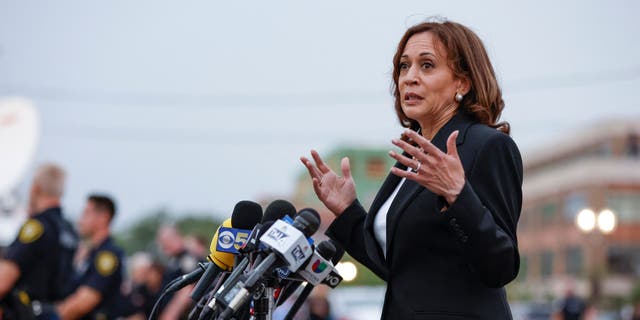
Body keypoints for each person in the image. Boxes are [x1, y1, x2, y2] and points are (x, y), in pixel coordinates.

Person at [301, 18, 522, 319]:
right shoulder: (413, 156)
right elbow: (399, 270)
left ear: (463, 83)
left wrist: (458, 196)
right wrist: (348, 211)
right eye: (404, 66)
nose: (409, 78)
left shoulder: (487, 146)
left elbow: (501, 265)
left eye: (427, 65)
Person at [0, 164, 78, 319]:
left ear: (35, 188)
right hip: (52, 313)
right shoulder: (69, 231)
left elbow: (4, 279)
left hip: (25, 313)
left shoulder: (37, 226)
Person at [55, 194, 125, 320]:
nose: (80, 220)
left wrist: (50, 316)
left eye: (86, 213)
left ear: (103, 218)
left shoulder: (108, 256)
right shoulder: (91, 254)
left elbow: (84, 302)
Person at [156, 224, 200, 320]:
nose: (163, 246)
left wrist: (170, 315)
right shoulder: (174, 259)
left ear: (176, 238)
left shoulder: (188, 259)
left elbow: (188, 289)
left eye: (165, 242)